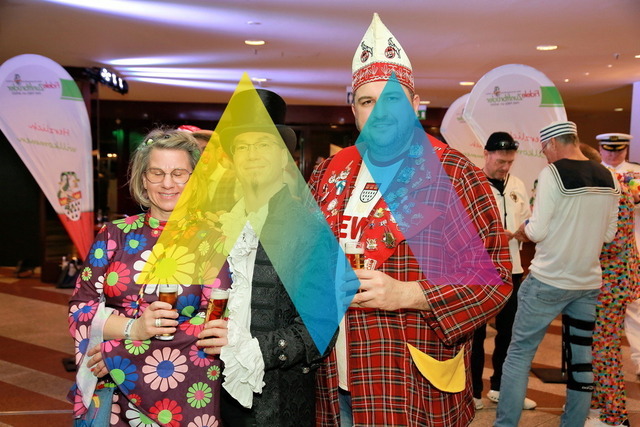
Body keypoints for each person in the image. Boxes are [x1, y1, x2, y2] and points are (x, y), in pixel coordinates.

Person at [309, 13, 512, 426]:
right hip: (333, 378)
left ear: (414, 104)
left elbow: (493, 283)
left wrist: (409, 293)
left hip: (408, 382)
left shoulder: (453, 174)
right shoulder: (330, 172)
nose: (380, 112)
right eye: (367, 101)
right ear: (353, 109)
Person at [197, 88, 336, 426]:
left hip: (275, 398)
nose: (252, 155)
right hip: (207, 391)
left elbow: (320, 328)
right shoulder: (216, 223)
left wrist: (247, 347)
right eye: (243, 147)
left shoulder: (309, 228)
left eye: (263, 145)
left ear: (283, 157)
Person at [68, 129, 225, 426]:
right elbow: (80, 309)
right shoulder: (113, 234)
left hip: (184, 395)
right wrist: (134, 329)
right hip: (111, 391)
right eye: (157, 173)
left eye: (179, 173)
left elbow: (213, 323)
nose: (167, 183)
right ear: (143, 179)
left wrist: (119, 354)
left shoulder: (213, 240)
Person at [495, 121, 620, 427]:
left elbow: (537, 230)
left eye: (543, 150)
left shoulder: (552, 173)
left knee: (519, 354)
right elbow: (609, 234)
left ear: (551, 144)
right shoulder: (609, 177)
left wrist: (522, 230)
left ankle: (505, 424)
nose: (545, 156)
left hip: (547, 280)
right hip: (587, 283)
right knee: (582, 359)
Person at [470, 132, 536, 410]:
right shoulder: (471, 183)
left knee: (509, 332)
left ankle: (501, 388)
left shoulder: (517, 184)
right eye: (500, 161)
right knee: (475, 334)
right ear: (486, 154)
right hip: (478, 269)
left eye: (510, 162)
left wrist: (520, 233)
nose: (505, 167)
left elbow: (528, 222)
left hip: (512, 268)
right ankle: (472, 392)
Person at [583, 142, 640, 427]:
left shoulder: (610, 195)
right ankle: (597, 407)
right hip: (615, 281)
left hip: (611, 283)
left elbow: (610, 244)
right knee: (600, 348)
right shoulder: (615, 189)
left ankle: (615, 417)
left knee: (605, 351)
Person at [598, 134, 640, 379]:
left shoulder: (637, 173)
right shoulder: (593, 173)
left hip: (633, 248)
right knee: (602, 312)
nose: (613, 154)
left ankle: (639, 360)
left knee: (636, 307)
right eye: (608, 150)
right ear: (600, 149)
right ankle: (600, 363)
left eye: (618, 150)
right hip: (601, 253)